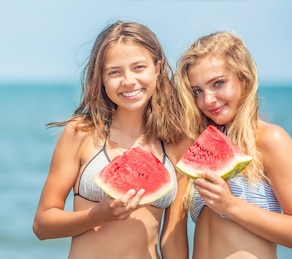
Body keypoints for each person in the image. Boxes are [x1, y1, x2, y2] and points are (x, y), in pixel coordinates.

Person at [32, 21, 192, 259]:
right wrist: (98, 215)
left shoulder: (176, 142)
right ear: (102, 79)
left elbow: (174, 239)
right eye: (115, 72)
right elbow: (42, 225)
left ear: (157, 69)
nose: (128, 81)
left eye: (139, 67)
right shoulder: (81, 133)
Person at [175, 31, 292, 258]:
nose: (208, 100)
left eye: (218, 83)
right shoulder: (196, 144)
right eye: (197, 91)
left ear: (243, 78)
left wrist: (230, 205)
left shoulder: (271, 139)